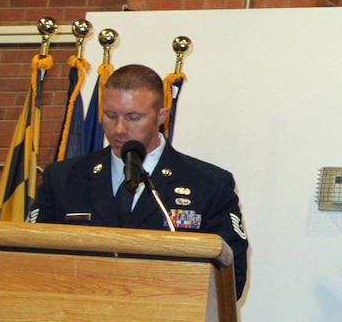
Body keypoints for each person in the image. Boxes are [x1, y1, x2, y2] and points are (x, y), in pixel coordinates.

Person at [33, 63, 250, 295]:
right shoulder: (64, 178)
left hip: (167, 321)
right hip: (76, 317)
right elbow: (30, 260)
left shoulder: (208, 184)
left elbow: (231, 276)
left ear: (162, 116)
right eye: (110, 115)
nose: (119, 129)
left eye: (133, 117)